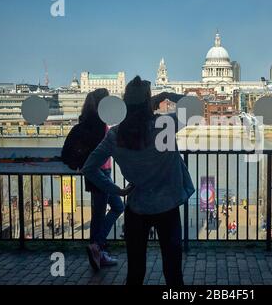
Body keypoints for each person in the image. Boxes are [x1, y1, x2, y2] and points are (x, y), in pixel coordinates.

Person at [82, 76, 194, 286]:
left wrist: (117, 190)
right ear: (147, 102)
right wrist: (167, 95)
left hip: (137, 207)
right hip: (167, 206)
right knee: (173, 273)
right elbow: (193, 107)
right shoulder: (165, 125)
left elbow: (89, 168)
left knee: (135, 272)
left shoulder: (115, 135)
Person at [78, 88, 125, 271]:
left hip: (100, 172)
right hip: (100, 173)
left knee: (109, 209)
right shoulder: (98, 123)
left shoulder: (93, 121)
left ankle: (97, 248)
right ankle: (97, 248)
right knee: (103, 212)